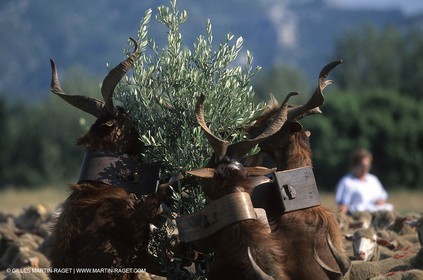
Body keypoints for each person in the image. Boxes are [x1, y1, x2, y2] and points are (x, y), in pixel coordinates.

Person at [335, 148, 393, 215]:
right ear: (355, 165)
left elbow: (383, 196)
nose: (365, 168)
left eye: (368, 165)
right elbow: (343, 206)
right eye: (362, 165)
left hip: (376, 213)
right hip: (358, 215)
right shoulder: (347, 182)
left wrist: (380, 201)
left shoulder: (373, 179)